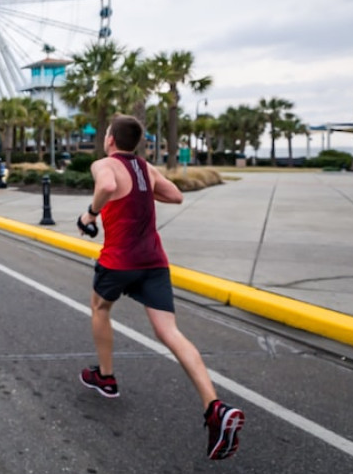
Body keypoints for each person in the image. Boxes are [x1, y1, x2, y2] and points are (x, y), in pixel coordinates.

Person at [76, 115, 245, 460]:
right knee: (170, 332)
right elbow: (176, 195)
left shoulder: (103, 164)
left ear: (109, 139)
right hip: (153, 261)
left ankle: (106, 377)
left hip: (119, 261)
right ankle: (215, 407)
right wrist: (141, 195)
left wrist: (91, 214)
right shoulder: (145, 168)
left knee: (99, 308)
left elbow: (107, 186)